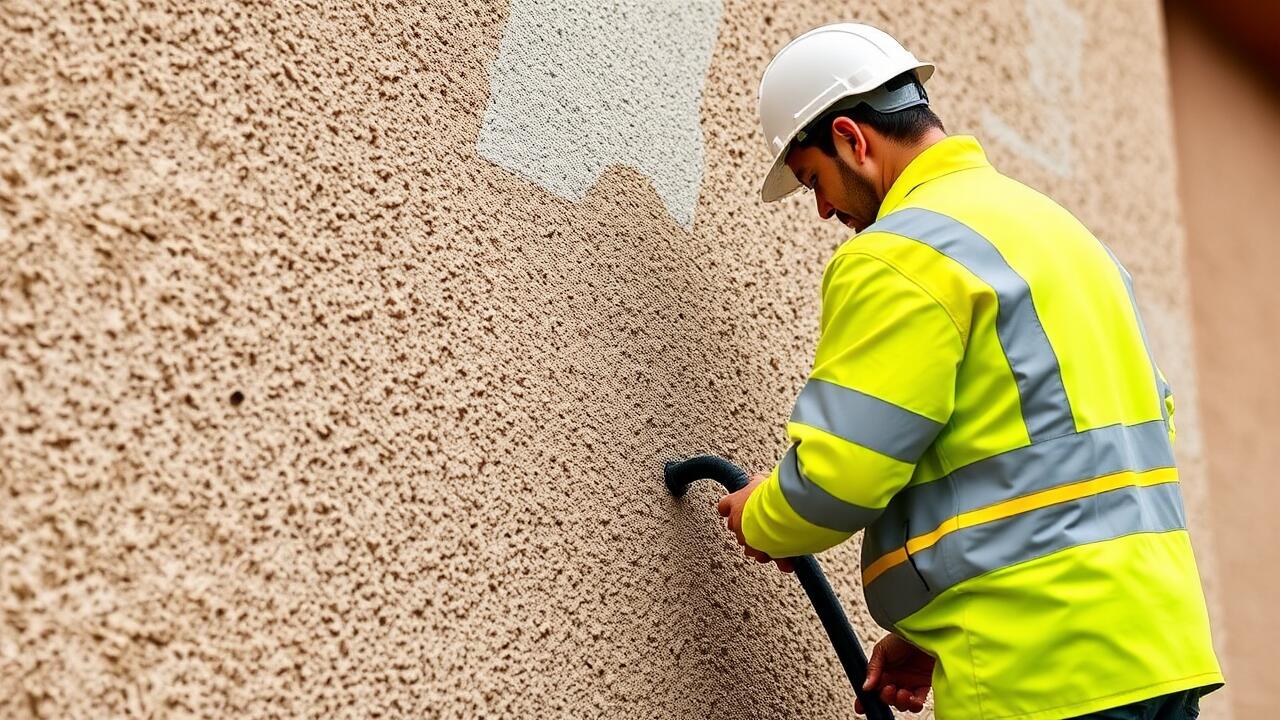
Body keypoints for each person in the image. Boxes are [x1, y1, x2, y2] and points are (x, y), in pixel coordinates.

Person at [715, 22, 1224, 720]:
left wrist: (764, 517)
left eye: (813, 181)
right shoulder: (1064, 237)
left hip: (1042, 670)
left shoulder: (899, 252)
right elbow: (1085, 454)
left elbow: (844, 474)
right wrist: (929, 621)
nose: (825, 209)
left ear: (851, 139)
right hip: (1159, 655)